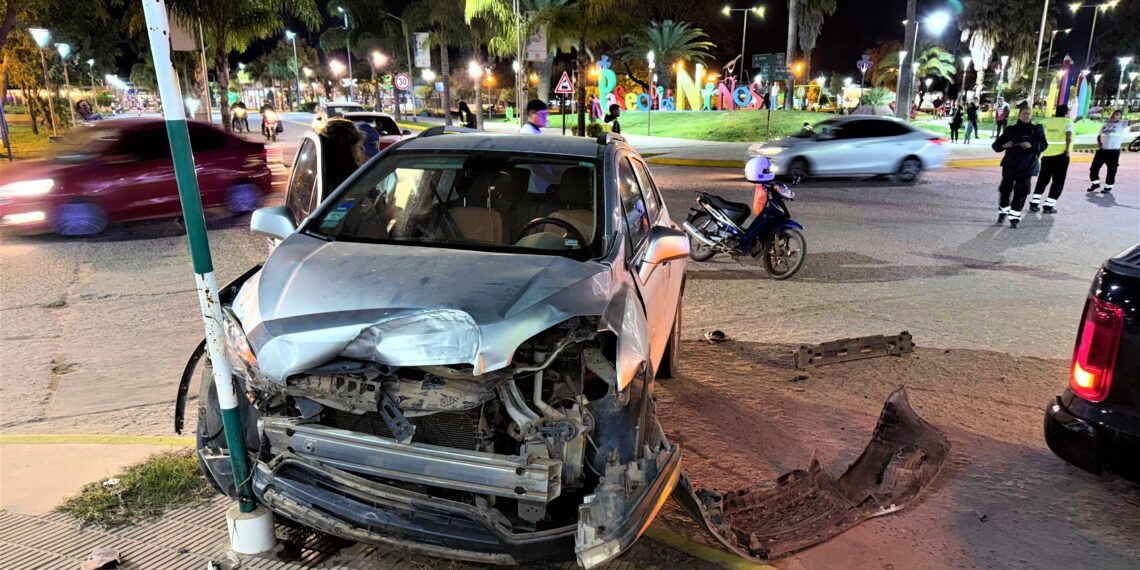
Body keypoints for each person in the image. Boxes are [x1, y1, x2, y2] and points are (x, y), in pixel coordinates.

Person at [991, 103, 1047, 229]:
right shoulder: (1010, 129)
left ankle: (1014, 218)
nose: (1027, 116)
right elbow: (996, 146)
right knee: (1005, 191)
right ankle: (1003, 213)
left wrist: (1032, 145)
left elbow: (1044, 145)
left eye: (1029, 113)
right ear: (1019, 114)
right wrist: (1004, 145)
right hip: (1010, 166)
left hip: (1027, 167)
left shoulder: (1036, 129)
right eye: (1024, 113)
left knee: (1021, 192)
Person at [1029, 104, 1074, 214]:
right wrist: (1067, 150)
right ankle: (1049, 206)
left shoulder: (1050, 122)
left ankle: (1034, 203)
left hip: (1047, 154)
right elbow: (1068, 135)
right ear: (1066, 112)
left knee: (1043, 179)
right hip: (1061, 155)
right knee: (1058, 181)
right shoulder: (1068, 122)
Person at [1087, 109, 1129, 194]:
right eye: (1114, 113)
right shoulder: (1105, 125)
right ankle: (1095, 183)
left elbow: (1136, 121)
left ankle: (1108, 186)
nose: (1114, 115)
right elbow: (1099, 136)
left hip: (1113, 152)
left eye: (1117, 114)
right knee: (1093, 169)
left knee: (1111, 170)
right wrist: (1099, 143)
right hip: (1102, 151)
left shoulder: (1122, 124)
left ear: (1120, 117)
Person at [320, 118, 365, 191]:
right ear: (348, 153)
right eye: (360, 147)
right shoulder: (353, 185)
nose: (363, 150)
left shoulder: (323, 178)